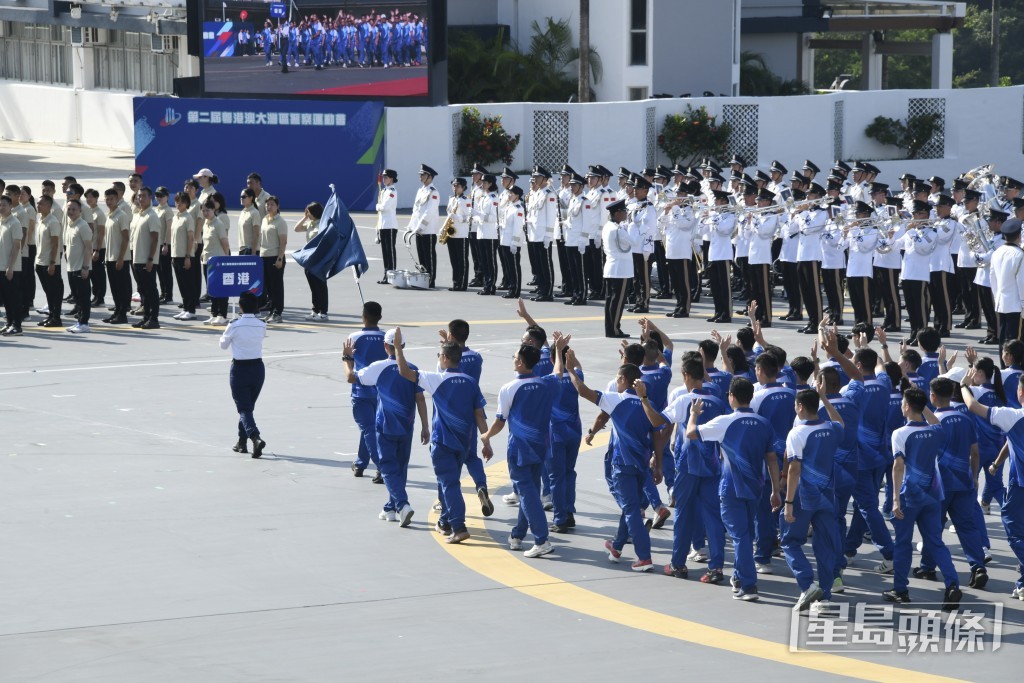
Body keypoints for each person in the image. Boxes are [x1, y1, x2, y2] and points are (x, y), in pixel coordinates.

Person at [686, 377, 782, 601]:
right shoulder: (763, 423)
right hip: (756, 487)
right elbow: (772, 460)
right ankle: (739, 577)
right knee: (746, 534)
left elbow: (691, 433)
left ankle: (749, 586)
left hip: (731, 488)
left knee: (740, 537)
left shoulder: (725, 421)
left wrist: (693, 414)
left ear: (731, 396)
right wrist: (776, 490)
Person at [637, 354, 729, 581]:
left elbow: (658, 422)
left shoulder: (684, 401)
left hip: (687, 466)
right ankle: (716, 567)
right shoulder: (718, 401)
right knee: (713, 518)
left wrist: (644, 399)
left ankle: (678, 564)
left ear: (687, 376)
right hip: (713, 466)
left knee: (684, 515)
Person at [393, 328, 489, 544]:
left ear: (445, 358)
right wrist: (486, 440)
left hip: (444, 443)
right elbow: (479, 415)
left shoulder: (436, 379)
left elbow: (404, 371)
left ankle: (459, 526)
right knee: (451, 482)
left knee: (450, 485)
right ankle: (446, 521)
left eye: (439, 355)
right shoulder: (470, 382)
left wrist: (398, 347)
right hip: (465, 442)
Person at [569, 354, 663, 572]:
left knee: (631, 510)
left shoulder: (615, 399)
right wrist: (658, 463)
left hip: (622, 464)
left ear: (622, 380)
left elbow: (583, 391)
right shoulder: (648, 403)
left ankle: (644, 557)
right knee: (631, 505)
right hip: (642, 464)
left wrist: (571, 370)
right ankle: (617, 546)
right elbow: (658, 434)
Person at [885, 387, 962, 611]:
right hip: (932, 495)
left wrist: (895, 499)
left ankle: (900, 590)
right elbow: (936, 421)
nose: (901, 405)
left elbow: (898, 467)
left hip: (909, 496)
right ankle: (952, 584)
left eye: (903, 403)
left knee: (902, 543)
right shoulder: (936, 431)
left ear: (907, 407)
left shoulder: (900, 433)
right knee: (935, 542)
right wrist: (921, 403)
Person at [481, 343, 559, 558]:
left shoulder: (509, 388)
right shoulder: (545, 384)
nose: (513, 359)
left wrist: (486, 436)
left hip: (520, 448)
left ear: (520, 362)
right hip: (540, 446)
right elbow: (559, 373)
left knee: (526, 493)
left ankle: (541, 539)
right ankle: (517, 535)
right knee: (531, 490)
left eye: (515, 356)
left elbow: (500, 421)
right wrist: (559, 351)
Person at [344, 328, 428, 527]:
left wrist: (347, 359)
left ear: (385, 347)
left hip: (385, 425)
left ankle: (402, 504)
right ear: (403, 346)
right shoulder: (413, 369)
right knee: (401, 467)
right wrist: (425, 426)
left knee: (389, 467)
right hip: (407, 425)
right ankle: (390, 507)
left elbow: (351, 377)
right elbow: (420, 398)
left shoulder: (378, 367)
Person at [780, 385, 844, 615]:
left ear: (799, 407)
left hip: (802, 496)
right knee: (825, 546)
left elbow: (794, 469)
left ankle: (807, 584)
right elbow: (841, 423)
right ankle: (824, 598)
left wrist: (788, 503)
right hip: (827, 496)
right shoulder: (831, 428)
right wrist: (825, 398)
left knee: (789, 541)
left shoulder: (797, 433)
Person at [219, 291, 267, 458]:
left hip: (240, 369)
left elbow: (223, 345)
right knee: (247, 408)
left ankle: (255, 437)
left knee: (244, 408)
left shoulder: (234, 324)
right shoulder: (262, 324)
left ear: (240, 306)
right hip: (258, 369)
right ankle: (241, 442)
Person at [346, 302, 387, 481]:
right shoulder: (386, 337)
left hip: (361, 389)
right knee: (369, 428)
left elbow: (350, 357)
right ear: (380, 317)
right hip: (382, 390)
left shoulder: (354, 337)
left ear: (363, 316)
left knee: (369, 429)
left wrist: (346, 358)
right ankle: (361, 463)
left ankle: (381, 466)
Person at [601, 199, 639, 338]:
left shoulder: (608, 226)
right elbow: (634, 242)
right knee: (618, 301)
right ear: (617, 213)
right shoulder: (618, 230)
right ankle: (615, 329)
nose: (626, 214)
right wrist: (636, 227)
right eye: (624, 211)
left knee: (611, 300)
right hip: (621, 269)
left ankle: (610, 329)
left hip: (611, 268)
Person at [129, 187, 161, 329]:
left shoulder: (152, 216)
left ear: (150, 198)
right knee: (143, 290)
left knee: (150, 290)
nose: (140, 199)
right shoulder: (138, 215)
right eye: (139, 196)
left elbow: (155, 239)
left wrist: (150, 259)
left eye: (143, 196)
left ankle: (154, 319)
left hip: (147, 259)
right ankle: (146, 317)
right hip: (137, 258)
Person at [988, 217, 1024, 344]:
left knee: (1004, 340)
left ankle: (1004, 365)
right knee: (1016, 343)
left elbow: (992, 279)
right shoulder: (1019, 254)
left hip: (1001, 303)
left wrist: (997, 297)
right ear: (1019, 236)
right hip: (1016, 305)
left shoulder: (997, 252)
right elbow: (1022, 282)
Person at [294, 202, 328, 320]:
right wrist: (304, 217)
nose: (307, 214)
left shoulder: (323, 225)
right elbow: (296, 229)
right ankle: (315, 309)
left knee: (321, 285)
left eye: (308, 212)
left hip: (319, 259)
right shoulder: (310, 224)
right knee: (313, 286)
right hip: (309, 258)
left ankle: (323, 312)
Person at [33, 194, 63, 328]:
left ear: (49, 206)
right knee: (48, 291)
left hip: (50, 263)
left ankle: (56, 317)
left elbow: (55, 244)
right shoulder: (41, 220)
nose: (38, 205)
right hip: (40, 261)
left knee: (53, 291)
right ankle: (51, 316)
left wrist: (52, 263)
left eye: (41, 204)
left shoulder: (53, 221)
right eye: (37, 203)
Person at [199, 199, 230, 325]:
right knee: (211, 289)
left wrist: (224, 259)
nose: (205, 213)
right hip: (207, 261)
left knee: (220, 289)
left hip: (218, 261)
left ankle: (222, 315)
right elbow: (206, 242)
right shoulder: (206, 224)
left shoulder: (218, 224)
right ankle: (214, 313)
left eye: (208, 210)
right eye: (203, 210)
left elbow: (225, 243)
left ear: (214, 210)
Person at [63, 198, 92, 334]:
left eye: (74, 209)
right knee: (77, 297)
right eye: (69, 209)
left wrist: (85, 267)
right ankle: (79, 321)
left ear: (80, 211)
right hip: (71, 267)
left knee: (84, 297)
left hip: (81, 268)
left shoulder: (83, 225)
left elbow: (88, 247)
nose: (71, 211)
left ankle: (84, 323)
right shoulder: (70, 225)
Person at [408, 164, 439, 288]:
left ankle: (430, 280)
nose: (420, 177)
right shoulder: (420, 190)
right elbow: (416, 210)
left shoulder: (433, 192)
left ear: (429, 177)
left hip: (428, 230)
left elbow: (429, 212)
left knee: (429, 256)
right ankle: (423, 279)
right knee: (421, 255)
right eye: (420, 174)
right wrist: (411, 226)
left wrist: (420, 226)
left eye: (423, 175)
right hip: (418, 229)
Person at [259, 196, 288, 323]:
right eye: (267, 204)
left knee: (276, 286)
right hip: (264, 256)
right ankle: (271, 311)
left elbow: (283, 241)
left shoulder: (280, 221)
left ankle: (277, 312)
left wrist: (280, 258)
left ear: (277, 206)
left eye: (271, 204)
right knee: (269, 286)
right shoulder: (265, 219)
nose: (268, 207)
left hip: (275, 256)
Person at [169, 192, 197, 322]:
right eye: (176, 201)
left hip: (185, 256)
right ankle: (185, 308)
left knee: (188, 284)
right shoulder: (176, 217)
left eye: (181, 202)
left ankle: (191, 310)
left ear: (186, 203)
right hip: (175, 255)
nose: (178, 204)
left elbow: (191, 238)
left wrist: (187, 256)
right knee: (181, 284)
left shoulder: (188, 218)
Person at [0, 195, 24, 336]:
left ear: (10, 207)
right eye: (0, 205)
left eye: (4, 205)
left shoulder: (14, 223)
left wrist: (10, 267)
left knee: (13, 298)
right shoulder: (2, 222)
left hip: (11, 268)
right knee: (6, 298)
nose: (1, 208)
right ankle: (9, 323)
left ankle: (17, 325)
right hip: (1, 266)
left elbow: (16, 247)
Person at [445, 177, 472, 292]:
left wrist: (458, 218)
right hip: (451, 232)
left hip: (461, 233)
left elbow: (469, 217)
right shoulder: (452, 199)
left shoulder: (466, 200)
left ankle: (462, 284)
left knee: (462, 260)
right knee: (454, 259)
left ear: (463, 187)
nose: (455, 188)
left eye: (458, 186)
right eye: (454, 186)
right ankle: (456, 282)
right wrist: (443, 228)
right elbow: (448, 215)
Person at [375, 169, 398, 282]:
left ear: (391, 179)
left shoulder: (392, 191)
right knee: (385, 251)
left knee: (390, 251)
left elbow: (385, 207)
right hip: (383, 225)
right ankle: (386, 274)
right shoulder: (384, 191)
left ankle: (392, 274)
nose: (384, 179)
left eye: (386, 177)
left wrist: (377, 206)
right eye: (383, 177)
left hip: (390, 225)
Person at [237, 188, 261, 256]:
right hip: (242, 250)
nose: (241, 198)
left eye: (244, 197)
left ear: (251, 198)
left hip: (250, 250)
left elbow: (256, 234)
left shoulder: (255, 213)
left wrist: (253, 253)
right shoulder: (242, 212)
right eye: (241, 197)